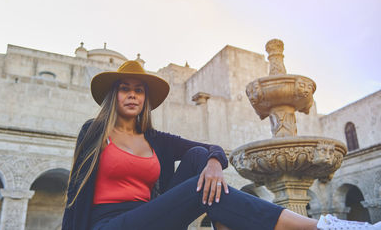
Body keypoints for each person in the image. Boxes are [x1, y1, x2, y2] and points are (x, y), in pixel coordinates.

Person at [62, 60, 381, 230]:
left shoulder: (155, 140)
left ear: (146, 99)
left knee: (200, 157)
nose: (132, 95)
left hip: (152, 218)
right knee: (204, 189)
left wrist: (214, 164)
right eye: (124, 89)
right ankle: (320, 228)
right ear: (113, 95)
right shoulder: (94, 132)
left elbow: (211, 148)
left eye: (139, 90)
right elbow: (75, 195)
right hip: (107, 225)